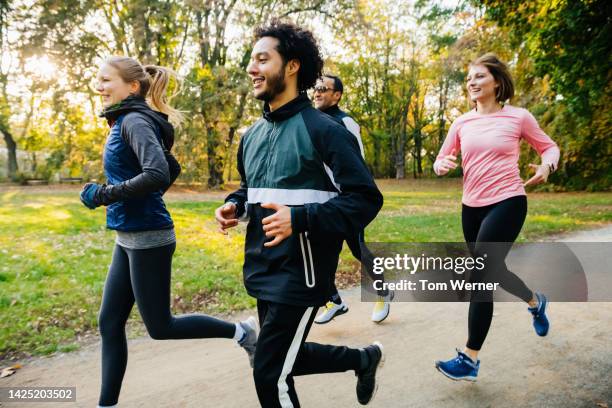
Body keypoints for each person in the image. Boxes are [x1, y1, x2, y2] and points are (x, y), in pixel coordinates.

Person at [215, 20, 385, 407]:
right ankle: (364, 358)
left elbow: (364, 198)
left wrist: (301, 218)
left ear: (292, 66)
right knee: (278, 359)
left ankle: (363, 359)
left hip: (304, 273)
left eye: (262, 59)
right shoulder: (251, 136)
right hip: (261, 267)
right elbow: (252, 189)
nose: (251, 68)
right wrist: (236, 206)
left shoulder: (325, 130)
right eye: (251, 60)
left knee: (269, 375)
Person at [80, 56, 258, 408]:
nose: (98, 86)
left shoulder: (132, 120)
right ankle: (107, 404)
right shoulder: (125, 120)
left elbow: (158, 173)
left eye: (105, 80)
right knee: (109, 321)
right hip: (128, 234)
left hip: (148, 237)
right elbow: (168, 167)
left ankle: (242, 333)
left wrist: (103, 195)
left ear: (132, 86)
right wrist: (130, 199)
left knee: (160, 327)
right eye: (97, 80)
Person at [432, 53, 560, 382]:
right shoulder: (461, 122)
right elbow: (442, 157)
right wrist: (441, 165)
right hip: (470, 207)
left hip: (508, 201)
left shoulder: (518, 117)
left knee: (481, 274)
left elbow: (549, 147)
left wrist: (547, 166)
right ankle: (535, 301)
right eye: (469, 78)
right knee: (495, 270)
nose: (472, 83)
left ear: (497, 82)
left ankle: (470, 359)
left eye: (479, 76)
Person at [313, 74, 393, 324]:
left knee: (359, 250)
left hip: (347, 199)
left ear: (337, 95)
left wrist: (351, 195)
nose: (317, 93)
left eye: (323, 89)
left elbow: (355, 160)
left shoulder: (345, 121)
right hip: (323, 198)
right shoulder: (311, 121)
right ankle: (333, 300)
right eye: (315, 89)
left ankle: (383, 291)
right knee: (319, 252)